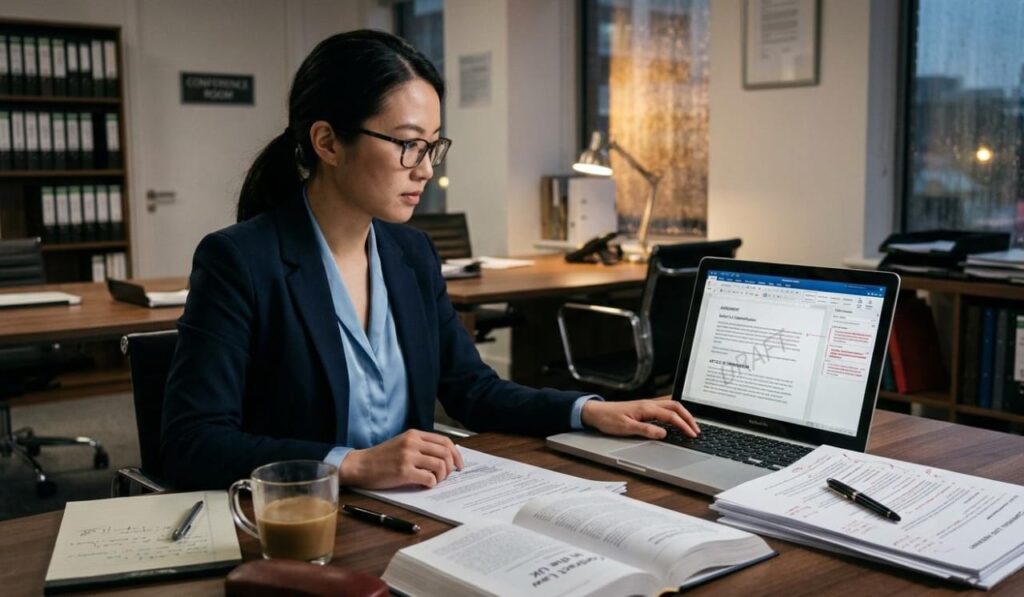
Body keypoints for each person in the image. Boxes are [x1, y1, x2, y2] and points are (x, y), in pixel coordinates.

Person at [160, 29, 699, 491]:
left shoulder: (411, 254)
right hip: (305, 528)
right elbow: (194, 442)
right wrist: (351, 464)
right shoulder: (239, 260)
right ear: (326, 141)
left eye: (433, 147)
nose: (425, 170)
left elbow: (473, 390)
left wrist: (588, 410)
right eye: (407, 144)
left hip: (412, 512)